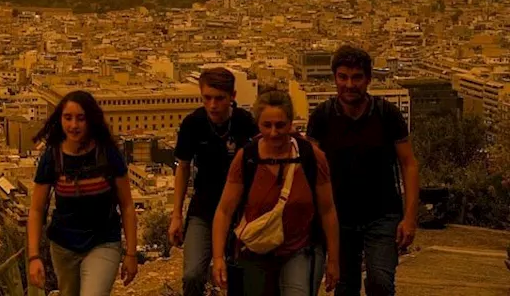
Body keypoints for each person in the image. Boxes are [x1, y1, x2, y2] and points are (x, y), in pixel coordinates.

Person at [306, 45, 419, 296]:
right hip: (338, 216)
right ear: (334, 78)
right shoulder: (322, 116)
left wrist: (410, 218)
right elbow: (310, 168)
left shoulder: (386, 114)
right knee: (345, 286)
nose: (349, 84)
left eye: (356, 77)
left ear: (368, 79)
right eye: (343, 77)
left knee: (380, 281)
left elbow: (408, 164)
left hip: (382, 213)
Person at [213, 89, 340, 296]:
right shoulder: (247, 158)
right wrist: (218, 258)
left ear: (291, 123)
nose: (274, 132)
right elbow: (224, 210)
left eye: (280, 125)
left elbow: (328, 210)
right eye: (267, 125)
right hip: (255, 249)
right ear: (258, 125)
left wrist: (333, 260)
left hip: (300, 248)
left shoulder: (311, 157)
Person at [28, 90, 139, 296]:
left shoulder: (107, 153)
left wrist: (131, 253)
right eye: (68, 118)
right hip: (63, 245)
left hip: (103, 240)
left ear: (91, 120)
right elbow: (36, 208)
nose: (73, 125)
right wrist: (34, 256)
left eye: (80, 118)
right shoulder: (53, 156)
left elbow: (127, 205)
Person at [171, 68, 260, 295]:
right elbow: (182, 168)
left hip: (239, 211)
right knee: (192, 275)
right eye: (207, 98)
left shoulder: (245, 123)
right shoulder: (193, 123)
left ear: (233, 96)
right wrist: (176, 215)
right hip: (203, 208)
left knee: (236, 274)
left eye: (219, 99)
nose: (212, 105)